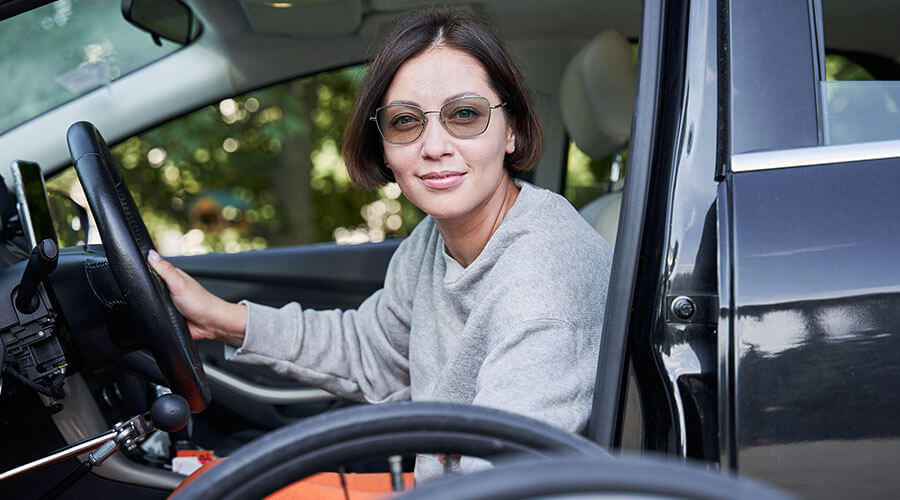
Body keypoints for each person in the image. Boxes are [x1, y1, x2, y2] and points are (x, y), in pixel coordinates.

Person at [150, 7, 612, 484]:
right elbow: (374, 351)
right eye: (406, 121)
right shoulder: (435, 241)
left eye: (465, 114)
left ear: (511, 129)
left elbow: (502, 485)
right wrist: (220, 318)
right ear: (385, 147)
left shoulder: (544, 288)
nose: (433, 145)